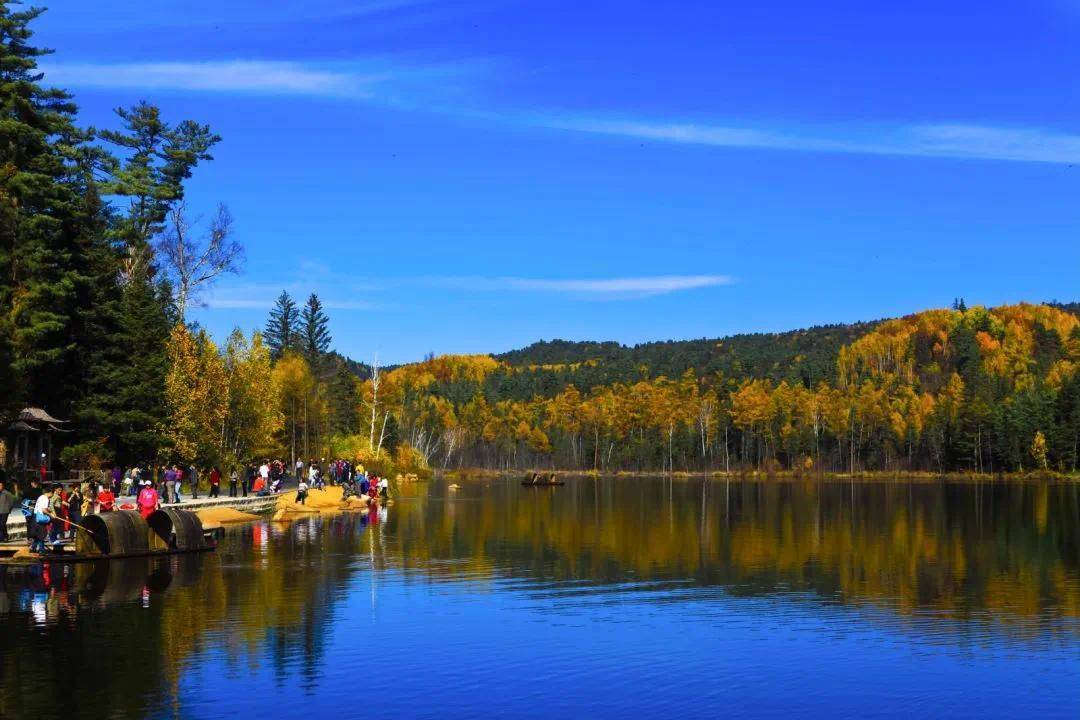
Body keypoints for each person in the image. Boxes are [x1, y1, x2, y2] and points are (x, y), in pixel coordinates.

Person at [31, 485, 53, 553]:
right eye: (52, 493)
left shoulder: (41, 497)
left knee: (37, 534)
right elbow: (43, 510)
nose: (52, 495)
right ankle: (41, 549)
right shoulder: (45, 498)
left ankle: (33, 548)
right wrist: (51, 515)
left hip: (35, 517)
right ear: (49, 492)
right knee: (42, 534)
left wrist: (49, 510)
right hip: (40, 517)